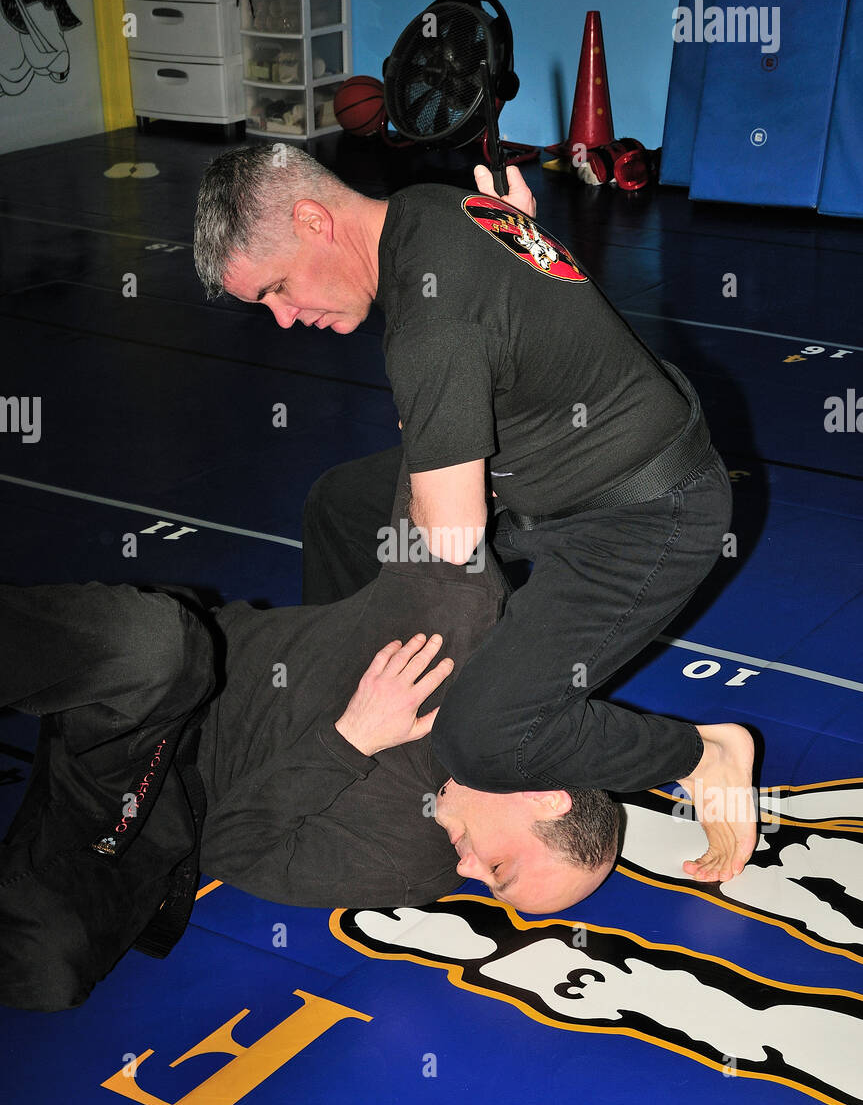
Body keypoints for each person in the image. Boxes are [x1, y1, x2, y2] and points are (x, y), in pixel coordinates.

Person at [192, 145, 758, 886]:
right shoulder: (431, 207)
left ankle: (701, 752)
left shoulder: (434, 321)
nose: (285, 317)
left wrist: (435, 447)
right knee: (343, 504)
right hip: (547, 470)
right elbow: (518, 296)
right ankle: (353, 691)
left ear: (313, 220)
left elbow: (452, 534)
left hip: (638, 519)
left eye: (277, 287)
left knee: (482, 740)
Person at [0, 469, 619, 1012]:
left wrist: (347, 742)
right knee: (156, 646)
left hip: (148, 800)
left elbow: (228, 850)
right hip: (167, 674)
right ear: (546, 797)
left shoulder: (413, 867)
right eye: (499, 869)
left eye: (484, 883)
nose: (466, 870)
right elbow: (443, 452)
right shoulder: (457, 639)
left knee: (45, 971)